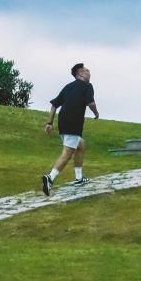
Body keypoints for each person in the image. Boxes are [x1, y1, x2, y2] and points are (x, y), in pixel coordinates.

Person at [42, 63, 99, 195]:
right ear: (80, 74)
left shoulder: (68, 87)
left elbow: (54, 105)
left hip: (63, 121)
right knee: (67, 152)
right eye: (87, 71)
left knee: (80, 145)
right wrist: (96, 113)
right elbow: (91, 103)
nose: (89, 73)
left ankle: (79, 178)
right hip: (74, 122)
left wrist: (50, 123)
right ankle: (50, 178)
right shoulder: (87, 86)